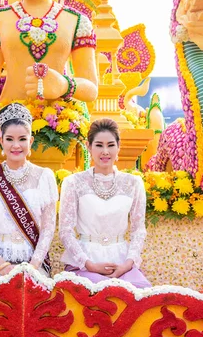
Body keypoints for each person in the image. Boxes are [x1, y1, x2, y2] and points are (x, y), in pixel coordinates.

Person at [59, 118, 151, 288]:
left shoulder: (133, 183)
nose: (105, 151)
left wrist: (127, 264)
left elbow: (138, 230)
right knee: (95, 293)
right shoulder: (73, 183)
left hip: (122, 261)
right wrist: (88, 264)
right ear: (89, 147)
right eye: (99, 145)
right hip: (85, 262)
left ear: (118, 146)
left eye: (110, 145)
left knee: (140, 293)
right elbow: (65, 231)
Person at [0, 103, 57, 277]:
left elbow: (48, 229)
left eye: (22, 139)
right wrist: (1, 265)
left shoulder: (45, 177)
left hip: (34, 262)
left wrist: (34, 266)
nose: (16, 145)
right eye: (9, 139)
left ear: (31, 141)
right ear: (1, 140)